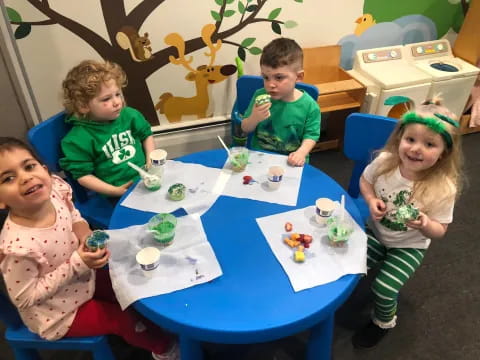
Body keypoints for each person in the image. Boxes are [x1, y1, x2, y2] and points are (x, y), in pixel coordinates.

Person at [0, 137, 179, 360]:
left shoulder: (54, 190)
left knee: (128, 283)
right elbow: (24, 298)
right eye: (8, 178)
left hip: (84, 280)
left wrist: (83, 233)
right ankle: (165, 350)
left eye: (29, 166)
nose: (25, 178)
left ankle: (160, 326)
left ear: (45, 171)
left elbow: (74, 214)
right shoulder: (18, 248)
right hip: (58, 314)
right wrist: (78, 263)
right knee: (122, 319)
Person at [352, 99, 464, 348]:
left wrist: (425, 224)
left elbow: (440, 230)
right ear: (399, 138)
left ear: (443, 152)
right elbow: (365, 181)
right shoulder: (384, 162)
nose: (416, 149)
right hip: (377, 232)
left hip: (409, 247)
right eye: (410, 140)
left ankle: (383, 321)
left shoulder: (443, 187)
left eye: (429, 144)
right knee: (349, 263)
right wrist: (370, 200)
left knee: (383, 288)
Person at [59, 60, 155, 199]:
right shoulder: (77, 140)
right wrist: (114, 191)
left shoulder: (129, 115)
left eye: (118, 94)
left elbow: (146, 135)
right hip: (115, 194)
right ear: (83, 106)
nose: (117, 102)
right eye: (106, 99)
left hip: (146, 179)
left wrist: (150, 161)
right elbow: (83, 175)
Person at [241, 38, 320, 166]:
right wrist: (254, 117)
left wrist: (301, 153)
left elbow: (311, 135)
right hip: (260, 158)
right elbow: (245, 128)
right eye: (266, 77)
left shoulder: (310, 106)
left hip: (291, 161)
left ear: (298, 77)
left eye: (279, 77)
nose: (270, 84)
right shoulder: (259, 96)